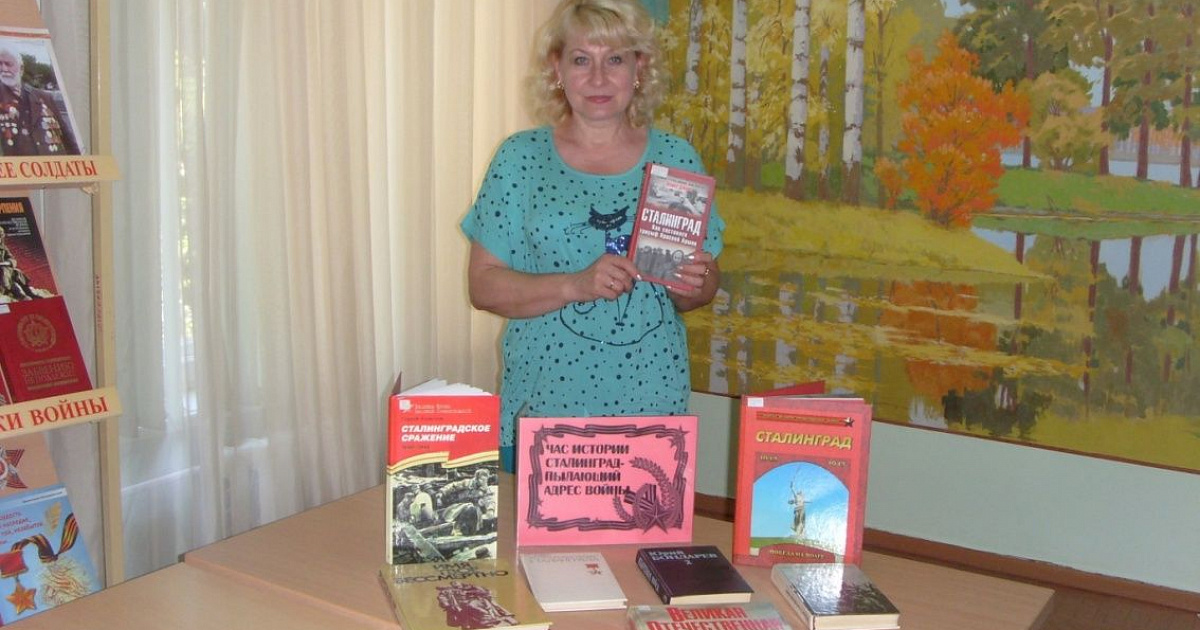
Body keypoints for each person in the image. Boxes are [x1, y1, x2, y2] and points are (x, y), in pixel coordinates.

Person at [461, 0, 724, 472]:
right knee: (535, 525)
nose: (598, 78)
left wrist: (695, 282)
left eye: (615, 59)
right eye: (582, 59)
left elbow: (697, 294)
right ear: (556, 69)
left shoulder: (675, 158)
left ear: (639, 68)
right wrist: (574, 285)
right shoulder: (520, 159)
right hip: (545, 407)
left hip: (650, 406)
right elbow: (483, 287)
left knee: (644, 521)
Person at [0, 45, 79, 156]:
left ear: (21, 69)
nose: (3, 69)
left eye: (8, 64)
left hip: (53, 166)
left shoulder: (44, 97)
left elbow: (67, 139)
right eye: (0, 64)